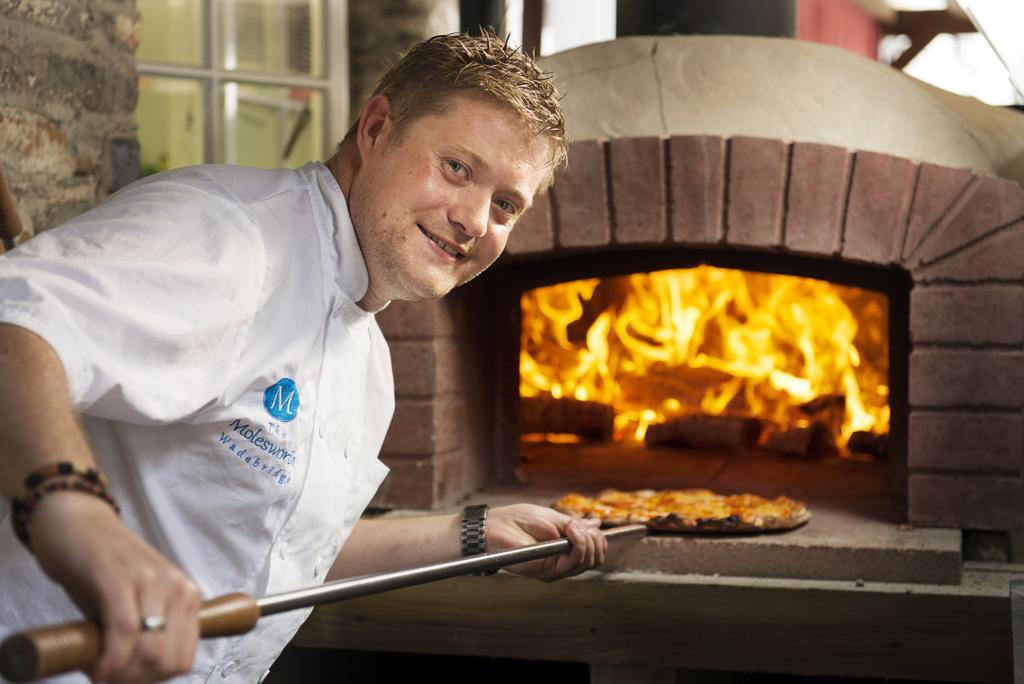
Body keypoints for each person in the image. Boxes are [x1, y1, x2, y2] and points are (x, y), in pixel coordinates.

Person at [0, 31, 606, 683]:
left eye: (505, 205)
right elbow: (16, 323)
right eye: (457, 168)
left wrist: (474, 534)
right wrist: (77, 517)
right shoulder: (234, 237)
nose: (473, 220)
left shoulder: (368, 360)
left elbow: (281, 544)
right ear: (377, 129)